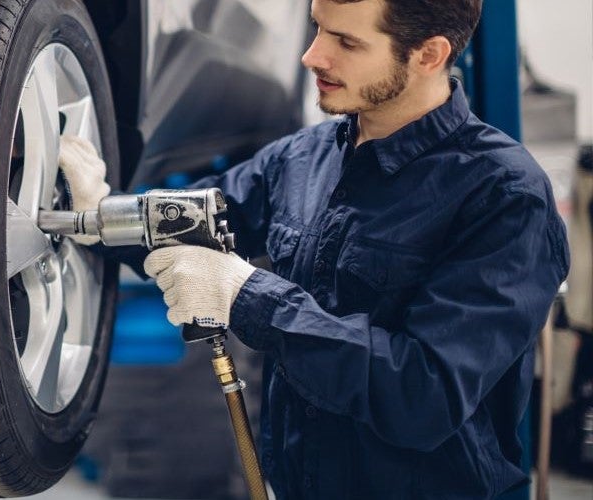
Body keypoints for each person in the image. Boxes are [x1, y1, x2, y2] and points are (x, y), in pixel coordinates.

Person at [59, 0, 569, 497]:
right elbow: (193, 226)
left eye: (346, 41)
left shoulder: (504, 196)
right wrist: (103, 212)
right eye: (318, 28)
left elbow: (423, 395)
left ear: (428, 55)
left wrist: (247, 296)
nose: (313, 56)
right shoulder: (302, 157)